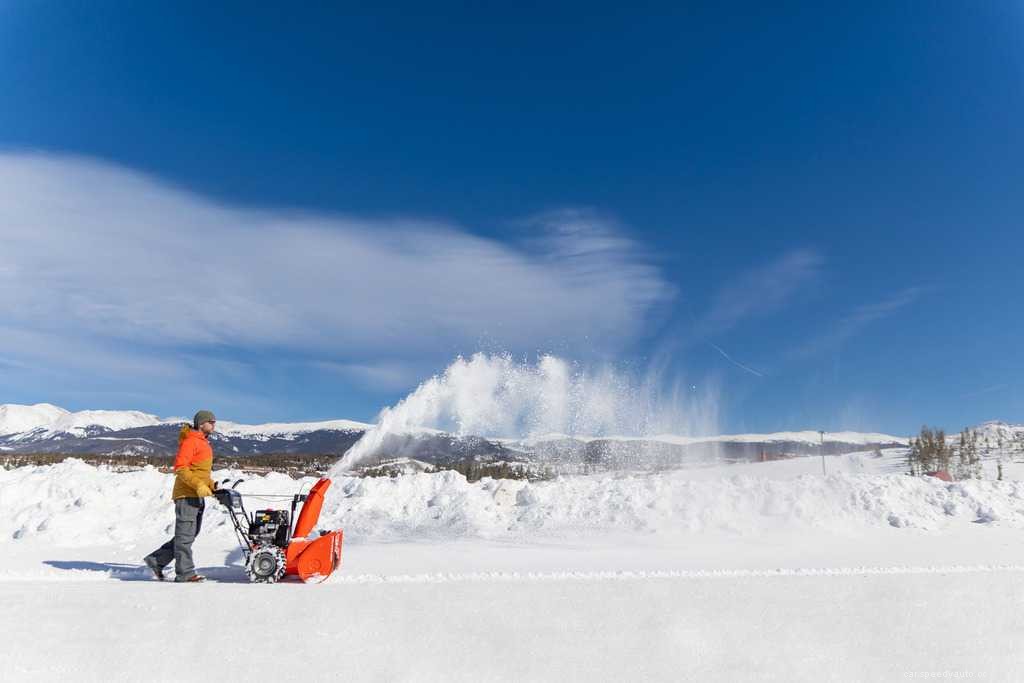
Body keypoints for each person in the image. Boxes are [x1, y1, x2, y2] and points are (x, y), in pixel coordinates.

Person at [143, 410, 217, 582]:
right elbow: (181, 468)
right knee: (185, 536)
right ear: (201, 424)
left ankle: (157, 560)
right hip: (186, 495)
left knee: (189, 534)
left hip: (196, 495)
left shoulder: (203, 443)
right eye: (211, 422)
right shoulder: (191, 442)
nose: (214, 424)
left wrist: (211, 485)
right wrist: (199, 485)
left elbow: (200, 472)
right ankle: (185, 573)